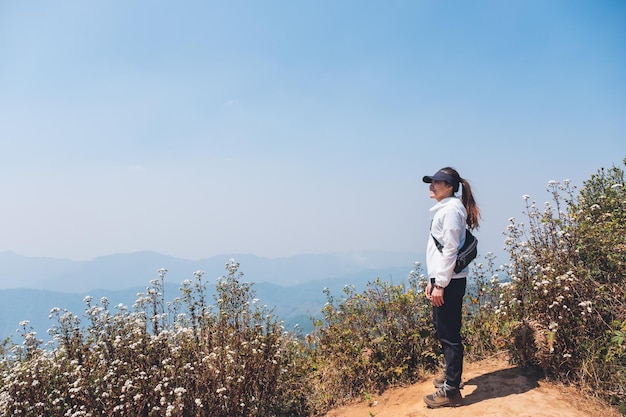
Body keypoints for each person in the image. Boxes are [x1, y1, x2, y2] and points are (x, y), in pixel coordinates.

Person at [421, 167, 480, 408]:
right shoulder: (446, 209)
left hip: (450, 283)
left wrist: (441, 285)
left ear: (450, 186)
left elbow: (451, 250)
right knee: (443, 330)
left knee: (449, 334)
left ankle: (451, 391)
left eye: (437, 182)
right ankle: (450, 379)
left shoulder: (452, 211)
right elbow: (439, 251)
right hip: (445, 280)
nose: (432, 186)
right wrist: (432, 280)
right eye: (432, 182)